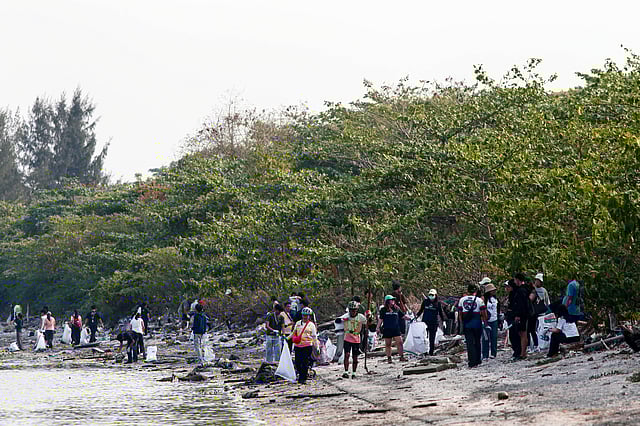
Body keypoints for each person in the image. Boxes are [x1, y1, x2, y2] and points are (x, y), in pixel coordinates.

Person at [458, 283, 487, 368]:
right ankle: (478, 359)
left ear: (467, 291)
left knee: (470, 343)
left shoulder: (462, 300)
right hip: (477, 323)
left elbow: (460, 313)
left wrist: (461, 323)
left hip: (467, 324)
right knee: (477, 341)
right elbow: (484, 313)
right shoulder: (479, 300)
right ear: (476, 291)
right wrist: (485, 322)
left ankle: (471, 361)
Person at [287, 307, 318, 385]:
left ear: (309, 316)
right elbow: (293, 333)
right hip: (298, 346)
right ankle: (300, 375)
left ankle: (303, 378)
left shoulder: (311, 325)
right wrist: (287, 338)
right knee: (298, 362)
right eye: (304, 315)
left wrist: (316, 346)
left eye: (307, 315)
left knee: (305, 362)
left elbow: (314, 336)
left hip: (307, 346)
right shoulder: (298, 323)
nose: (305, 317)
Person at [336, 301, 367, 378]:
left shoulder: (360, 317)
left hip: (356, 339)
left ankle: (354, 373)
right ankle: (346, 371)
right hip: (347, 338)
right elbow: (338, 320)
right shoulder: (346, 316)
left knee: (355, 356)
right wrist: (341, 320)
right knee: (347, 355)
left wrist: (369, 316)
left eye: (354, 310)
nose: (352, 312)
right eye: (351, 310)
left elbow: (367, 322)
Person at [377, 295, 409, 363]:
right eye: (391, 300)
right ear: (388, 301)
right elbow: (380, 319)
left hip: (396, 328)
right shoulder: (383, 310)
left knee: (400, 342)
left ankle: (401, 357)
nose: (393, 301)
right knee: (388, 344)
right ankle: (389, 358)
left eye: (393, 300)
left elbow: (402, 316)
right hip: (387, 329)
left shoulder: (396, 308)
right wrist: (378, 327)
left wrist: (409, 318)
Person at [415, 288, 447, 355]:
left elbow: (441, 313)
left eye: (432, 295)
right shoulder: (425, 302)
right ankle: (424, 351)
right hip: (425, 322)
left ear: (435, 295)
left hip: (434, 323)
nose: (431, 296)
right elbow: (421, 310)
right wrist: (416, 316)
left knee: (432, 338)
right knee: (424, 337)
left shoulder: (438, 303)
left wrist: (444, 321)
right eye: (430, 295)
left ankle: (431, 352)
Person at [482, 283, 499, 360]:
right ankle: (485, 354)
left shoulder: (495, 299)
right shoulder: (484, 299)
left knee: (494, 337)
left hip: (494, 319)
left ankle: (493, 353)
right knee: (485, 338)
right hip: (486, 320)